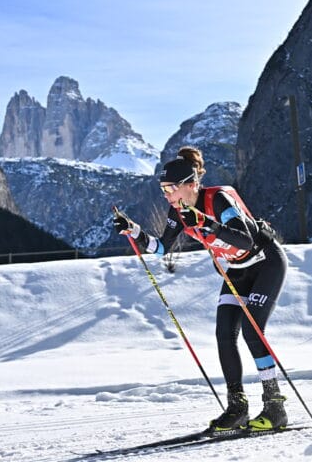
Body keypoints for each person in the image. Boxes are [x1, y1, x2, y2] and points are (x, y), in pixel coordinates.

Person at [113, 146, 289, 432]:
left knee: (251, 330)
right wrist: (133, 230)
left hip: (265, 263)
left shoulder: (218, 199)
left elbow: (244, 239)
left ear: (191, 184)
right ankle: (237, 407)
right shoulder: (178, 211)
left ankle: (275, 406)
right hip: (238, 271)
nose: (167, 195)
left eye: (171, 188)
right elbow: (161, 248)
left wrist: (208, 223)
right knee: (224, 333)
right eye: (163, 189)